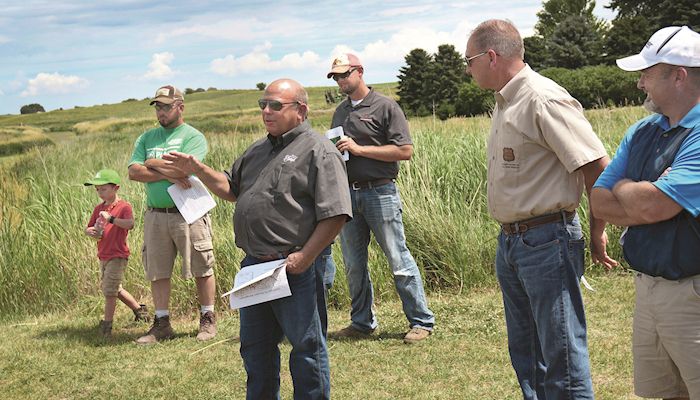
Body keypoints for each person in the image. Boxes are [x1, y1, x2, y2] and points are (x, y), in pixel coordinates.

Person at [163, 78, 352, 399]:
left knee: (307, 350)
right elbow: (231, 189)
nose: (266, 111)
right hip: (254, 268)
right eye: (263, 104)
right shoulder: (258, 150)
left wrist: (305, 257)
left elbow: (336, 214)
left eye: (275, 105)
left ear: (301, 110)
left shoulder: (319, 150)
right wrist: (197, 168)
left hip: (297, 268)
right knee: (255, 348)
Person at [466, 19, 618, 399]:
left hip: (548, 240)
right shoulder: (506, 101)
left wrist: (597, 231)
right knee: (527, 351)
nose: (467, 69)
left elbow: (597, 168)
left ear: (491, 56)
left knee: (561, 353)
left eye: (469, 60)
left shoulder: (541, 98)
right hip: (515, 242)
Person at [591, 26, 700, 400]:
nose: (640, 84)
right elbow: (598, 201)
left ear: (679, 75)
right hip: (648, 289)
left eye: (647, 73)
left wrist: (628, 189)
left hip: (693, 294)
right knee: (666, 394)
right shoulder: (642, 131)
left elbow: (654, 204)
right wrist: (643, 193)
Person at [325, 53, 435, 344]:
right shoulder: (340, 112)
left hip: (380, 192)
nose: (340, 80)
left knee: (398, 259)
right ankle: (361, 322)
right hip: (348, 196)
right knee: (353, 264)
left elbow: (405, 151)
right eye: (336, 77)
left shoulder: (386, 107)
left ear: (360, 72)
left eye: (344, 74)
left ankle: (421, 321)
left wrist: (360, 150)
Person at [128, 85, 217, 345]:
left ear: (180, 106)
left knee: (202, 265)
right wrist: (166, 169)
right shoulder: (147, 138)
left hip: (187, 211)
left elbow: (186, 172)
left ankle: (207, 318)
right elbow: (134, 172)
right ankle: (162, 323)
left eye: (166, 106)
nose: (161, 111)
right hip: (156, 214)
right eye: (158, 106)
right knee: (158, 270)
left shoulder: (193, 137)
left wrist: (152, 163)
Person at [83, 168, 149, 337]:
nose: (99, 192)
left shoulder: (123, 206)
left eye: (103, 189)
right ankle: (139, 311)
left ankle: (107, 326)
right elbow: (90, 226)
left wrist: (111, 219)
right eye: (97, 189)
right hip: (103, 253)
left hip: (118, 254)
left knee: (109, 291)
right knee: (114, 288)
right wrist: (90, 231)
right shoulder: (99, 208)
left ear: (115, 188)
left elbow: (130, 224)